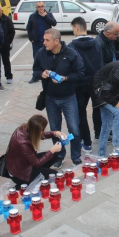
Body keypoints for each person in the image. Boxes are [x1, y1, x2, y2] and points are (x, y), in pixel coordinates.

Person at [32, 28, 84, 167]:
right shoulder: (41, 53)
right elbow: (35, 70)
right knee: (55, 129)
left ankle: (76, 156)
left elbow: (80, 74)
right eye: (44, 39)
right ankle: (59, 156)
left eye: (47, 40)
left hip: (69, 97)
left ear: (57, 41)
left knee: (74, 129)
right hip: (50, 98)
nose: (44, 43)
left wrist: (65, 78)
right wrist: (41, 74)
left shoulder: (71, 54)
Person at [67, 17, 103, 152]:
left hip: (79, 84)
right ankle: (99, 134)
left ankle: (86, 142)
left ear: (76, 28)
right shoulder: (96, 44)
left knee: (80, 112)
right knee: (97, 108)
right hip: (95, 82)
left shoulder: (71, 47)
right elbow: (100, 64)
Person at [6, 115, 65, 189]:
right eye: (43, 129)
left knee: (54, 155)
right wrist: (52, 150)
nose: (43, 131)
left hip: (24, 164)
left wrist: (55, 133)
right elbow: (37, 163)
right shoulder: (22, 143)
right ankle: (22, 185)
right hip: (20, 174)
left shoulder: (26, 127)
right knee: (55, 175)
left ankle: (39, 173)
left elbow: (41, 134)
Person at [94, 21, 119, 140]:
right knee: (100, 106)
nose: (118, 36)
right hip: (102, 80)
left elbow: (113, 54)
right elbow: (100, 64)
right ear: (109, 33)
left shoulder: (109, 41)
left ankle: (105, 129)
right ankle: (99, 132)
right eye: (116, 34)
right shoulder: (99, 43)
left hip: (110, 77)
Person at [26, 1, 57, 82]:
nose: (41, 8)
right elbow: (28, 28)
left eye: (42, 6)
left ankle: (49, 75)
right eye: (39, 7)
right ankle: (35, 76)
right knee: (36, 58)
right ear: (36, 8)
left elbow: (54, 23)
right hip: (36, 41)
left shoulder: (48, 15)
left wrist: (45, 16)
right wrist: (31, 38)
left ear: (44, 7)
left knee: (48, 58)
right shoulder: (33, 16)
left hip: (47, 42)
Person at [0, 5, 16, 84]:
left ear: (1, 11)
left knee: (6, 61)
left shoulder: (7, 19)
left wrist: (8, 42)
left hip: (4, 45)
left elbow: (12, 31)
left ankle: (9, 76)